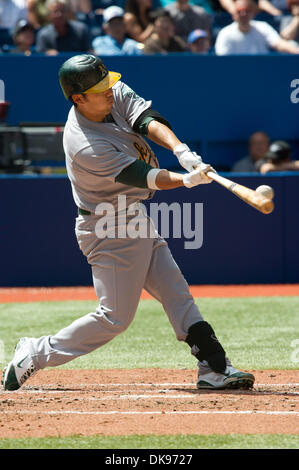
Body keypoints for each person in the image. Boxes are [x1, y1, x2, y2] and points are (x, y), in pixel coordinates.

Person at [2, 53, 255, 392]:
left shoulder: (109, 91)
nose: (110, 91)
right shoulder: (84, 145)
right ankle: (36, 351)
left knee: (175, 291)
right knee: (115, 318)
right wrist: (187, 180)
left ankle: (214, 367)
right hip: (107, 226)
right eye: (100, 89)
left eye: (108, 84)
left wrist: (181, 150)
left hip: (131, 214)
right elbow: (146, 176)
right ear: (79, 98)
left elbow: (146, 120)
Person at [215, 0, 299, 54]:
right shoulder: (225, 33)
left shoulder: (263, 27)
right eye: (239, 11)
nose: (243, 14)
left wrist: (296, 51)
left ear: (253, 13)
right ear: (233, 14)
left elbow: (278, 43)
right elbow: (223, 58)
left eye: (247, 11)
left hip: (262, 71)